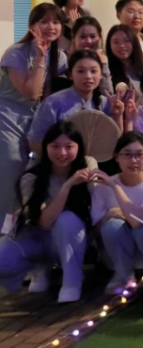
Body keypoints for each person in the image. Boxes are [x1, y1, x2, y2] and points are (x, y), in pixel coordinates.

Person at [0, 122, 93, 303]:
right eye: (55, 146)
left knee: (66, 219)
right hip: (37, 238)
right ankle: (39, 267)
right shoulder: (31, 178)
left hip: (71, 237)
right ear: (45, 147)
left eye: (69, 146)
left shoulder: (87, 166)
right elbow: (44, 222)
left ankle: (72, 281)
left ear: (79, 148)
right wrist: (67, 185)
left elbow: (95, 208)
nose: (62, 153)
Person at [0, 4, 67, 214]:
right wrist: (40, 58)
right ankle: (6, 224)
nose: (51, 27)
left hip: (37, 120)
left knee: (35, 173)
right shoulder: (15, 53)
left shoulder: (61, 57)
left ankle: (27, 221)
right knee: (13, 166)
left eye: (56, 22)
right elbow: (31, 93)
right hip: (8, 118)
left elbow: (49, 95)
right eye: (44, 22)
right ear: (32, 26)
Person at [91, 131, 143, 293]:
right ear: (116, 157)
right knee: (111, 226)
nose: (133, 160)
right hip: (118, 254)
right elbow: (95, 227)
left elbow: (137, 220)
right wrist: (110, 215)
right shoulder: (103, 187)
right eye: (127, 154)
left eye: (139, 154)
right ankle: (123, 275)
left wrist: (116, 188)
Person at [28, 50, 121, 154]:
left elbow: (115, 142)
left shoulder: (104, 103)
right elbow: (35, 142)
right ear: (70, 75)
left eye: (93, 71)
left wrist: (117, 115)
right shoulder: (53, 103)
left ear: (101, 75)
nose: (88, 76)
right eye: (81, 71)